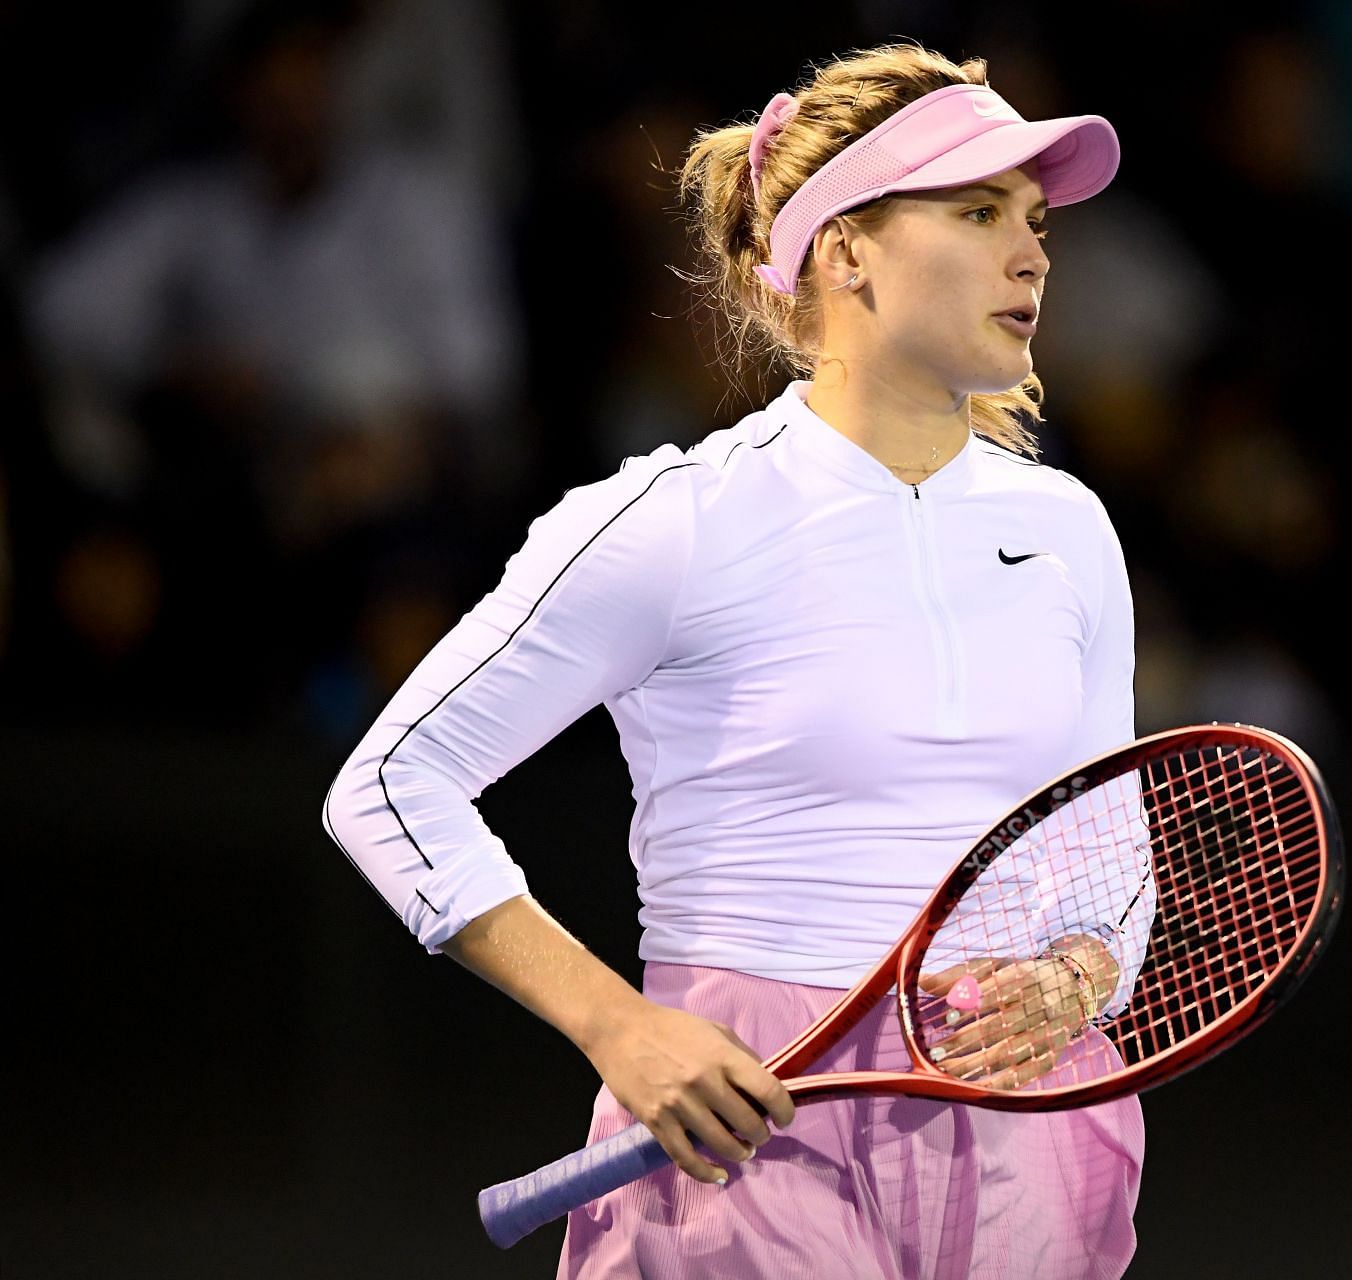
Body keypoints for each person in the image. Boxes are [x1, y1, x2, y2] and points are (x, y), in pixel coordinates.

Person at [323, 42, 1145, 1279]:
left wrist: (1081, 971)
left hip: (1035, 1122)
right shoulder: (676, 520)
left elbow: (1106, 854)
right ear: (845, 250)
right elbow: (389, 785)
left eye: (1033, 220)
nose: (1032, 252)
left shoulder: (1071, 532)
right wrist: (623, 1030)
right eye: (978, 212)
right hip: (748, 1139)